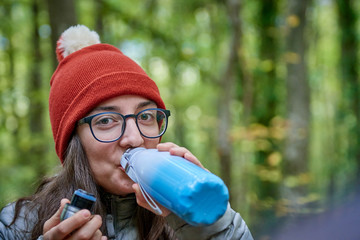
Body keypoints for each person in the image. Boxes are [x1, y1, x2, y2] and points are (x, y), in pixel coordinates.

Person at [0, 25, 253, 240]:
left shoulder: (181, 221)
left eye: (145, 117)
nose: (134, 139)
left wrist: (212, 224)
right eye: (107, 120)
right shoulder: (17, 225)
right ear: (72, 142)